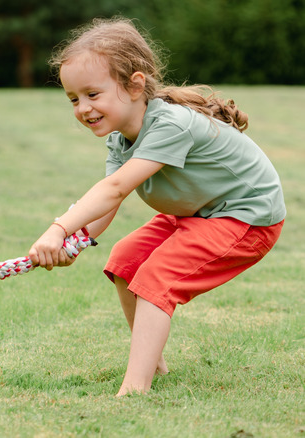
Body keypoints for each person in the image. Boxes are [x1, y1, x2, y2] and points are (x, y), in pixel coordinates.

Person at [27, 17, 286, 397]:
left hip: (244, 217)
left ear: (134, 85)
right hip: (197, 212)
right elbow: (106, 202)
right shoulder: (121, 138)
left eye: (92, 94)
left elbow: (115, 189)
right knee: (124, 262)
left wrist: (58, 228)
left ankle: (135, 389)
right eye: (73, 99)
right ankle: (154, 364)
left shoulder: (170, 123)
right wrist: (77, 242)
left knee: (155, 280)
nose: (83, 108)